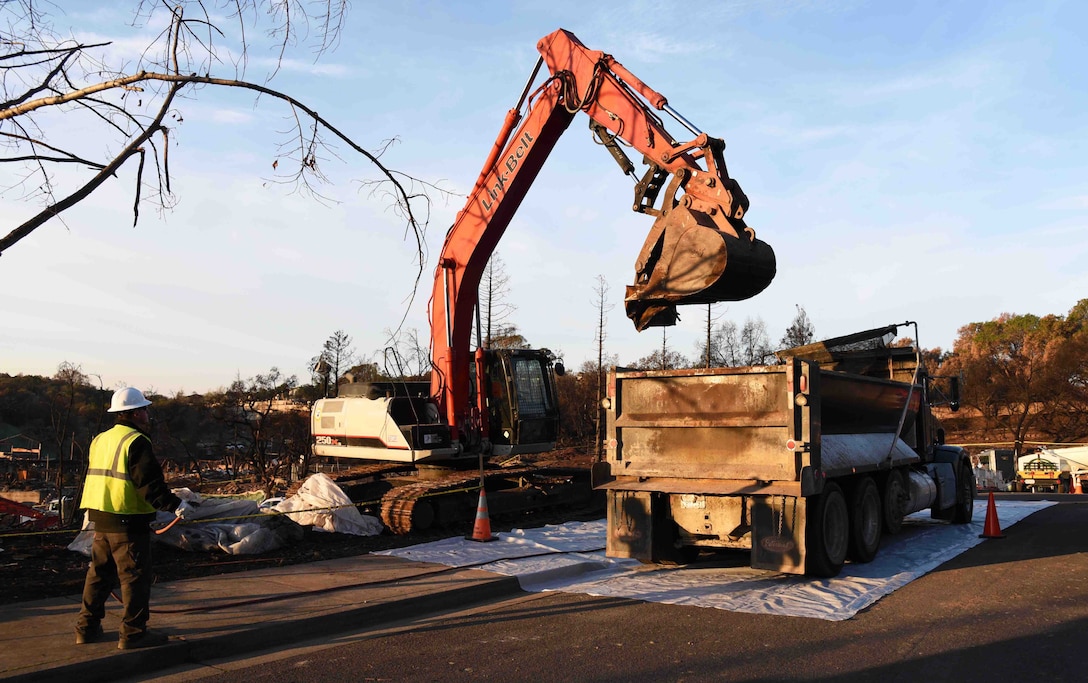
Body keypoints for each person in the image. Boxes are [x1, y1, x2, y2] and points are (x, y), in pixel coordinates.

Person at [74, 387, 198, 649]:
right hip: (128, 521)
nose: (147, 414)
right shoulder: (136, 441)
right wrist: (175, 505)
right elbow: (148, 483)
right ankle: (133, 633)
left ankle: (85, 629)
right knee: (134, 578)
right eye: (144, 409)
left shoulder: (100, 439)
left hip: (101, 518)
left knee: (98, 575)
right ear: (135, 413)